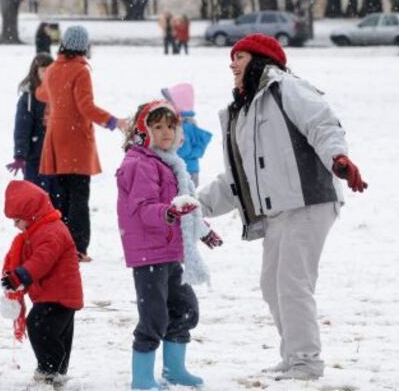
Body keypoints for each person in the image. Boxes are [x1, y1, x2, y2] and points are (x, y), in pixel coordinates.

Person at [197, 34, 368, 381]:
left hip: (309, 200)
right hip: (278, 212)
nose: (232, 64)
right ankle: (293, 357)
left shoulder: (285, 88)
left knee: (292, 283)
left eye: (240, 57)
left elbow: (322, 124)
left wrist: (339, 158)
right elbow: (238, 179)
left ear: (261, 60)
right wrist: (196, 206)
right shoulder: (241, 111)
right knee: (271, 284)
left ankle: (305, 362)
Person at [116, 100, 222, 390]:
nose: (165, 132)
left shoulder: (172, 163)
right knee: (154, 316)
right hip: (148, 254)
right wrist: (168, 212)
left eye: (171, 126)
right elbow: (143, 208)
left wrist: (202, 231)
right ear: (143, 131)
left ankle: (174, 369)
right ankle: (141, 378)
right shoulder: (139, 164)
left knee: (185, 308)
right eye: (157, 126)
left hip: (170, 252)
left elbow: (187, 206)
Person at [35, 25, 127, 262]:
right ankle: (78, 247)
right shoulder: (80, 71)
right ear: (83, 46)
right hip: (75, 140)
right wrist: (114, 122)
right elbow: (86, 107)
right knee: (79, 198)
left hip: (56, 138)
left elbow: (41, 94)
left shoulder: (54, 68)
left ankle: (62, 245)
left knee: (62, 197)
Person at [1, 180, 83, 388]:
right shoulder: (42, 229)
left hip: (58, 295)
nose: (15, 225)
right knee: (57, 334)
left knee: (39, 327)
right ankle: (56, 371)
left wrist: (19, 276)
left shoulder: (50, 231)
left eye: (17, 220)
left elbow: (42, 260)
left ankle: (49, 369)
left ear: (31, 214)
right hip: (57, 294)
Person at [7, 53, 56, 194]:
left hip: (57, 157)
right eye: (43, 70)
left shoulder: (59, 94)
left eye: (50, 70)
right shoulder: (28, 99)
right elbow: (22, 129)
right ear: (36, 72)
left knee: (56, 200)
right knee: (35, 196)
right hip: (35, 156)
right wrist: (20, 155)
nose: (47, 74)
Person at [161, 83, 213, 185]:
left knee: (182, 198)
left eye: (169, 103)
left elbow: (184, 150)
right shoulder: (188, 122)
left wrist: (167, 151)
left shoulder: (183, 127)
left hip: (185, 171)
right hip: (190, 169)